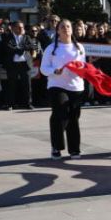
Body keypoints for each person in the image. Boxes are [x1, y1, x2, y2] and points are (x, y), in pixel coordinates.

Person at [40, 19, 86, 159]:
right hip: (57, 85)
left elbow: (83, 66)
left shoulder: (79, 47)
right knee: (60, 112)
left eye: (68, 26)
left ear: (72, 30)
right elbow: (43, 69)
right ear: (58, 31)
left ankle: (74, 149)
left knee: (73, 117)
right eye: (62, 27)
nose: (66, 29)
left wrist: (80, 69)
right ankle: (56, 146)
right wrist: (54, 70)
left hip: (76, 86)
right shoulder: (51, 48)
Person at [2, 20, 39, 110]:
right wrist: (22, 49)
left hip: (25, 64)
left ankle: (28, 103)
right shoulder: (7, 37)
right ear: (13, 28)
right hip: (12, 64)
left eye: (22, 27)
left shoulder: (26, 37)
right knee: (11, 85)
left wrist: (19, 49)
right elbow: (8, 48)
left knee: (27, 85)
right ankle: (10, 104)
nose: (21, 29)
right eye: (19, 27)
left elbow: (32, 46)